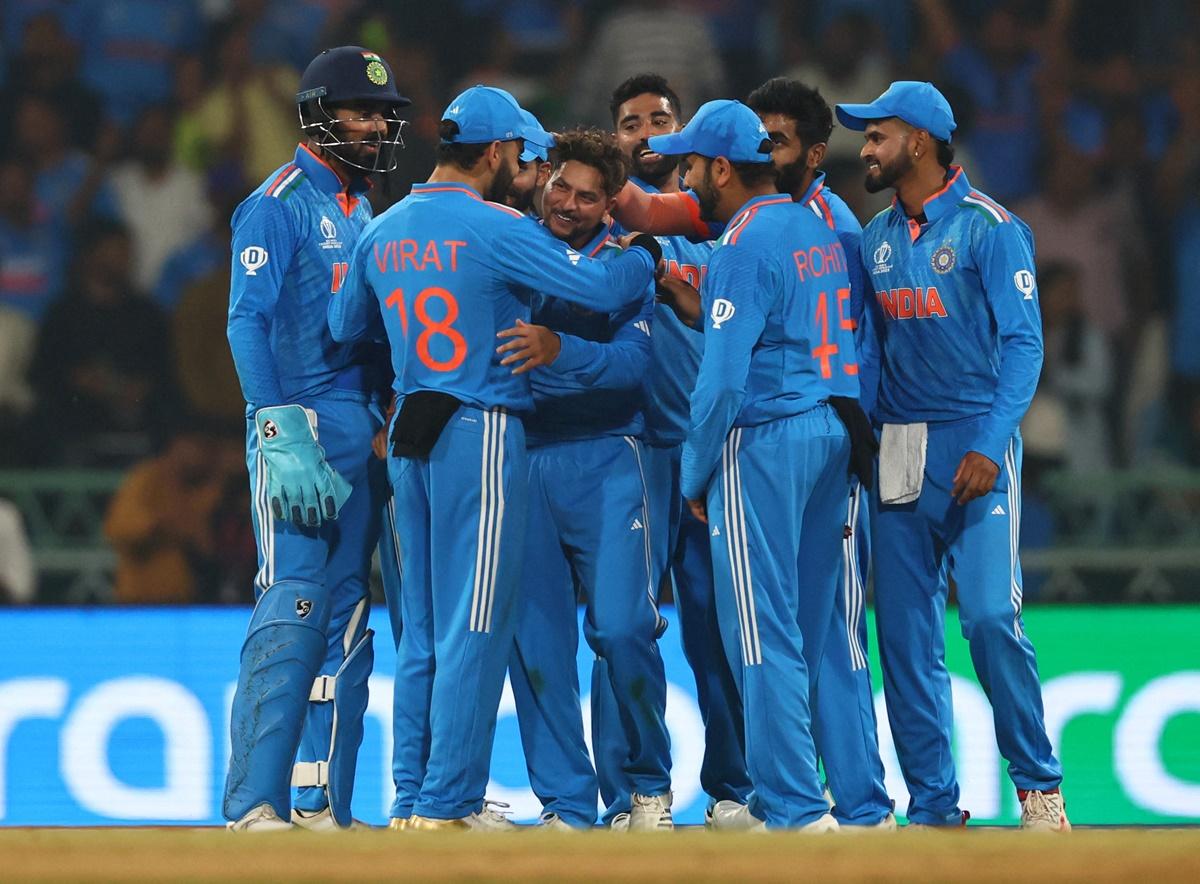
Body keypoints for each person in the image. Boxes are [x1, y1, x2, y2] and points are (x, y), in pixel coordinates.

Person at [327, 84, 660, 830]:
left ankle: (411, 798)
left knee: (420, 631)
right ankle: (448, 804)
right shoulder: (499, 227)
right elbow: (605, 284)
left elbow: (344, 323)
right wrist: (650, 255)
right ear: (494, 151)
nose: (532, 168)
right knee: (474, 626)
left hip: (409, 430)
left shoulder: (382, 230)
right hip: (480, 430)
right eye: (523, 153)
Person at [835, 81, 1068, 831]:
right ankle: (935, 811)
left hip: (975, 436)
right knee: (904, 640)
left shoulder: (990, 229)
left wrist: (992, 444)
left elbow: (1026, 345)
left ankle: (1039, 789)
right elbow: (871, 350)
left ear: (922, 141)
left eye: (878, 136)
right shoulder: (874, 237)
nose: (865, 149)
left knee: (993, 619)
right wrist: (863, 438)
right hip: (900, 444)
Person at [652, 99, 860, 831]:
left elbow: (722, 380)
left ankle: (797, 808)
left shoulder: (741, 244)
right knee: (812, 629)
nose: (683, 180)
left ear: (717, 167)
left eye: (687, 165)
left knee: (759, 634)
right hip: (829, 432)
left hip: (764, 440)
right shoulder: (814, 224)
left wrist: (693, 471)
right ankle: (842, 800)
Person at [222, 45, 410, 832]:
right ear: (317, 116)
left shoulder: (362, 208)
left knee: (346, 618)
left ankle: (321, 804)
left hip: (357, 429)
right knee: (294, 602)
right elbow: (245, 321)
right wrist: (274, 424)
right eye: (360, 112)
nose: (372, 126)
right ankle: (250, 807)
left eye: (381, 114)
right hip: (296, 423)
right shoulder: (278, 201)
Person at [502, 127, 669, 832]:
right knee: (537, 646)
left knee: (625, 626)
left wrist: (558, 348)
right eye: (561, 186)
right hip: (522, 455)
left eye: (587, 196)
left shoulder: (624, 267)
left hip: (608, 456)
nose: (567, 202)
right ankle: (565, 806)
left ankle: (644, 792)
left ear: (609, 208)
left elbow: (635, 367)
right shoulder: (507, 247)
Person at [604, 73, 752, 828]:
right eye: (631, 123)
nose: (647, 133)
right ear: (615, 138)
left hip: (712, 452)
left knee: (720, 629)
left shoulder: (724, 224)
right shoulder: (592, 224)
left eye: (661, 118)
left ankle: (734, 791)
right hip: (628, 452)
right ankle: (635, 792)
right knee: (622, 627)